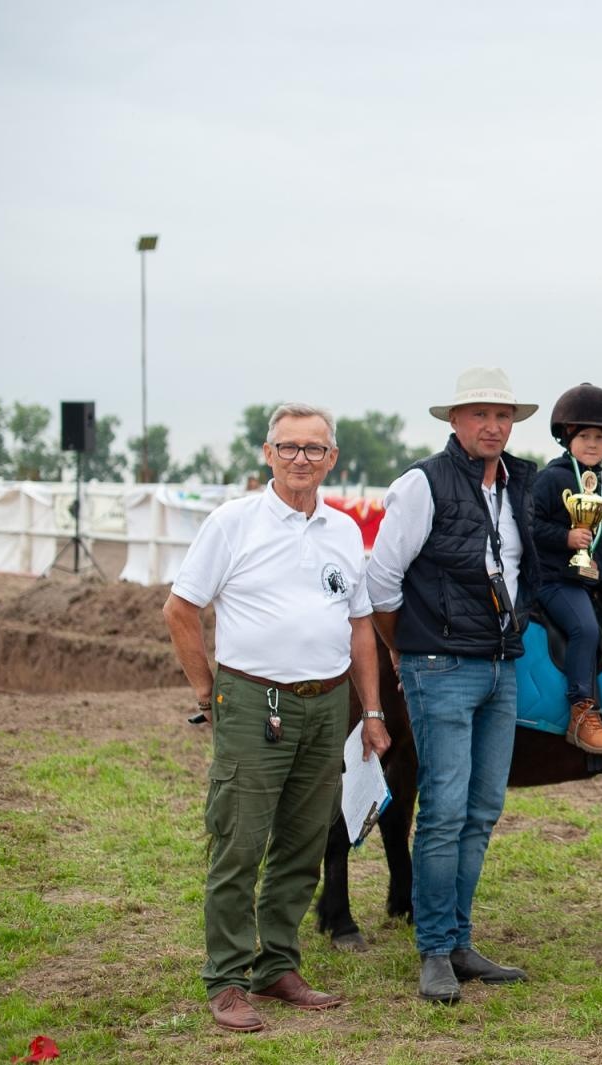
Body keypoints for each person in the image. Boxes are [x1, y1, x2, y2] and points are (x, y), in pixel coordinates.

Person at [163, 402, 389, 1033]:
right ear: (268, 454)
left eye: (313, 448)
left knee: (304, 841)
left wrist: (372, 710)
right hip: (253, 701)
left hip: (328, 704)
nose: (300, 459)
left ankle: (277, 965)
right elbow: (180, 609)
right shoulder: (233, 523)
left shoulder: (343, 530)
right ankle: (228, 979)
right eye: (288, 447)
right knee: (239, 842)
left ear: (332, 458)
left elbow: (360, 626)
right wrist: (208, 692)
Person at [364, 367, 539, 1003]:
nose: (493, 426)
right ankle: (435, 949)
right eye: (479, 414)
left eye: (502, 415)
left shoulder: (520, 483)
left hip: (500, 664)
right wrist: (404, 649)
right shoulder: (422, 483)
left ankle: (459, 941)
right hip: (438, 665)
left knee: (483, 809)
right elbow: (381, 580)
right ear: (455, 420)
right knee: (442, 811)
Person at [529, 382, 602, 755]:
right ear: (567, 438)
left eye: (600, 437)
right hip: (553, 580)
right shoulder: (550, 480)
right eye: (584, 436)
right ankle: (581, 711)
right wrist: (565, 537)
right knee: (585, 628)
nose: (593, 444)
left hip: (589, 582)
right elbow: (528, 525)